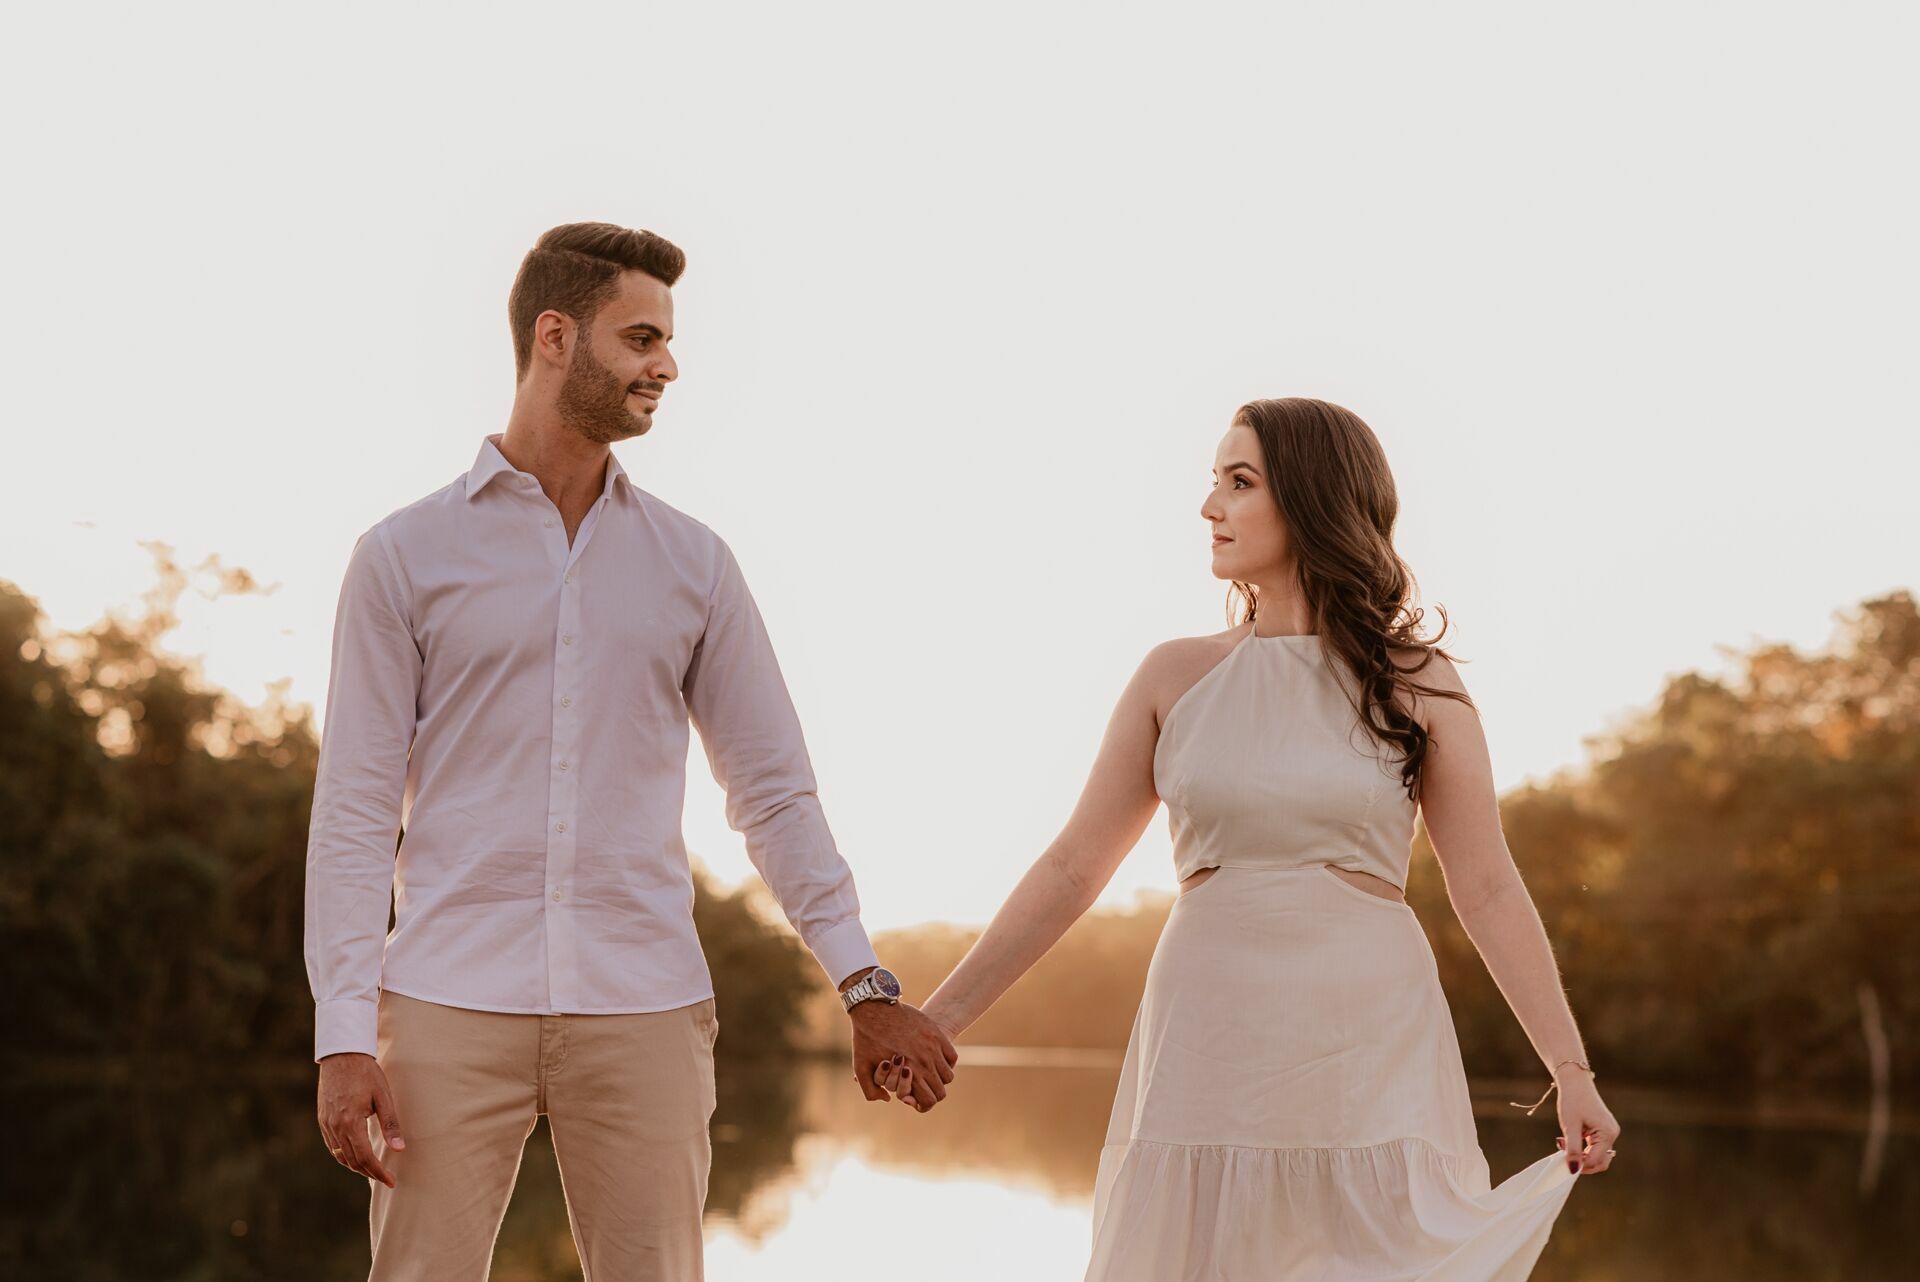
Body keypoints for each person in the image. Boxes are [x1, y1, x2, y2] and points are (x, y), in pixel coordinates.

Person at [304, 221, 956, 1281]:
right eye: (641, 337)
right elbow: (354, 811)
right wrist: (341, 1030)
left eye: (666, 342)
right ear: (556, 337)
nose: (668, 365)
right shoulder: (403, 556)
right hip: (444, 999)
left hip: (643, 1000)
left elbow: (774, 794)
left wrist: (862, 982)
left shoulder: (694, 566)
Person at [877, 397, 1619, 1279]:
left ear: (1311, 499)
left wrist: (1570, 1069)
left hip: (1369, 1039)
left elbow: (1488, 885)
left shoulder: (1421, 684)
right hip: (1210, 1034)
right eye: (1213, 483)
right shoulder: (1171, 676)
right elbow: (1074, 868)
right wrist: (936, 1019)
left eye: (1239, 482)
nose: (1209, 508)